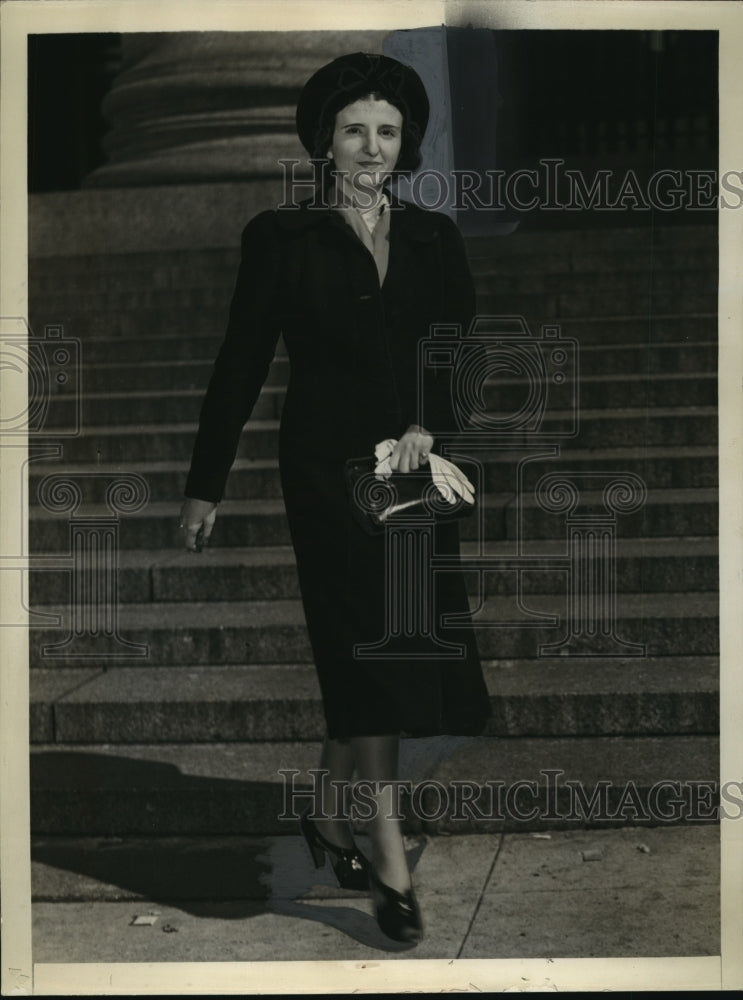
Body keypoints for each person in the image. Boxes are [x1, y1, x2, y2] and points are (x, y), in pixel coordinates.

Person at [180, 52, 492, 945]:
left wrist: (434, 429)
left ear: (405, 144)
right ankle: (386, 854)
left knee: (382, 651)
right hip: (323, 472)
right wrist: (205, 485)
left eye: (386, 131)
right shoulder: (280, 238)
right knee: (369, 646)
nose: (370, 145)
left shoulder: (434, 236)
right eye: (354, 129)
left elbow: (453, 351)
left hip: (408, 472)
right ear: (324, 140)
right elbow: (241, 361)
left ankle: (325, 811)